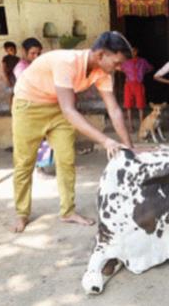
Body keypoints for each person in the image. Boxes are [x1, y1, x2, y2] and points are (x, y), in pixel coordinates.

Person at [11, 31, 133, 233]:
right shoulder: (66, 61)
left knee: (66, 160)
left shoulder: (102, 72)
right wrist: (106, 141)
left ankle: (68, 211)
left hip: (57, 108)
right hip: (28, 106)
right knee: (24, 162)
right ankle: (21, 213)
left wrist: (129, 147)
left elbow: (114, 109)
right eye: (117, 63)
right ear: (101, 54)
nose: (119, 68)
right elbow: (69, 110)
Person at [13, 37, 54, 176]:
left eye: (38, 53)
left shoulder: (38, 65)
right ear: (24, 52)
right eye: (33, 53)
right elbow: (29, 87)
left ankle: (42, 166)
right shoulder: (21, 68)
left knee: (44, 138)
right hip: (28, 107)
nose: (36, 56)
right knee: (33, 140)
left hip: (41, 105)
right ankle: (36, 168)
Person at [121, 46, 153, 132]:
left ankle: (142, 126)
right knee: (128, 106)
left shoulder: (142, 61)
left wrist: (142, 73)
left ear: (137, 51)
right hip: (128, 85)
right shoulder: (126, 62)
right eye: (131, 51)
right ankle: (130, 126)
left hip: (139, 84)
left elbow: (150, 68)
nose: (133, 52)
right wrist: (127, 73)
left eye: (134, 51)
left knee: (140, 105)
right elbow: (121, 69)